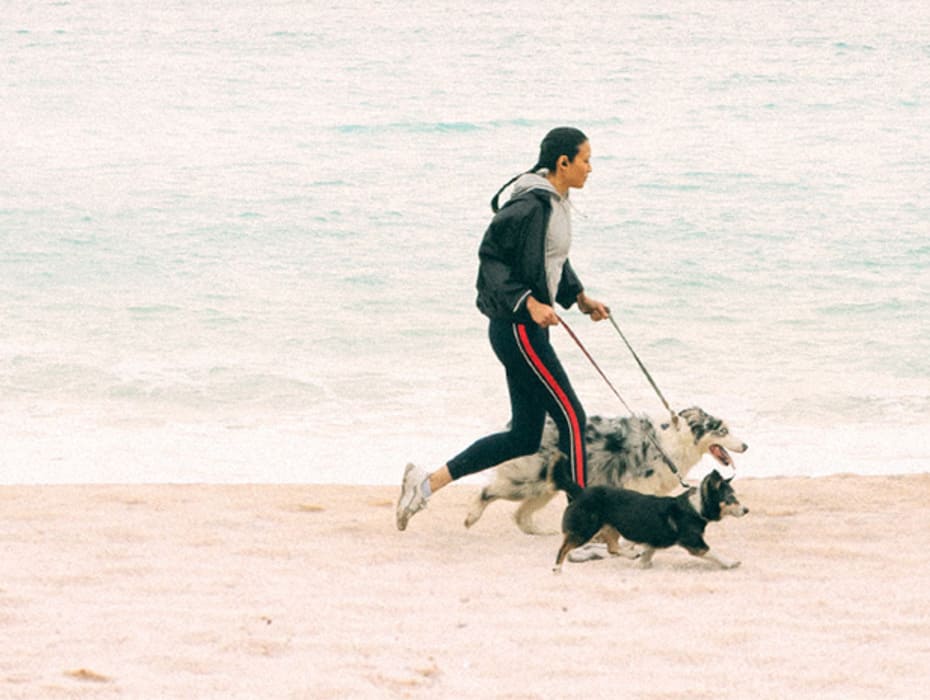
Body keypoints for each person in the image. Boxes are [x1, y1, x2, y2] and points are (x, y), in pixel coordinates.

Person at [396, 126, 609, 531]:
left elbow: (550, 259)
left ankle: (423, 485)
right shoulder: (530, 205)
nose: (590, 168)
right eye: (585, 160)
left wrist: (579, 297)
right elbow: (491, 258)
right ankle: (583, 528)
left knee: (525, 436)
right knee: (571, 417)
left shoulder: (556, 203)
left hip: (526, 330)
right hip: (517, 329)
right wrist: (528, 302)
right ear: (563, 162)